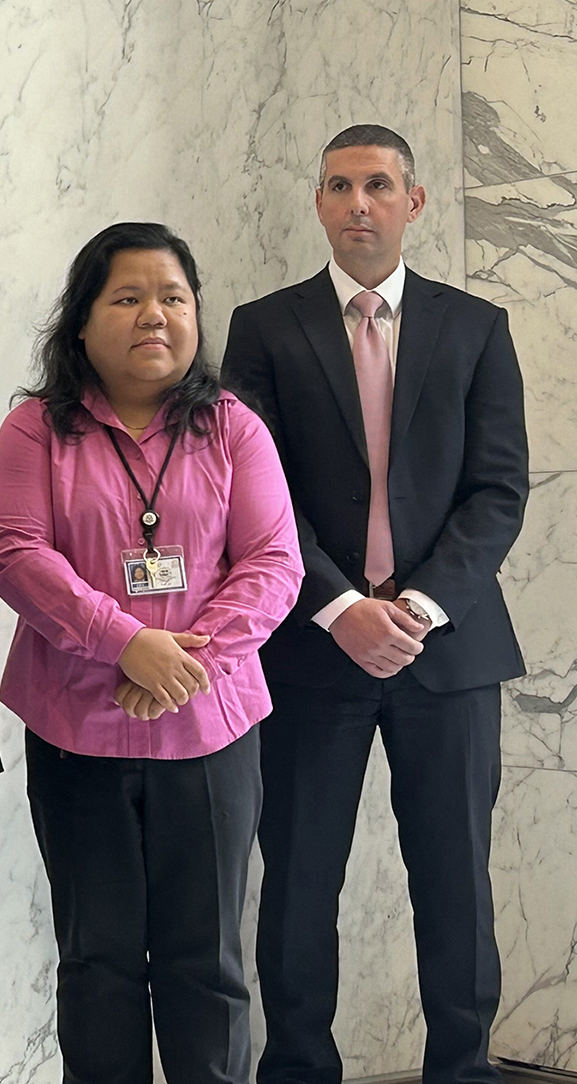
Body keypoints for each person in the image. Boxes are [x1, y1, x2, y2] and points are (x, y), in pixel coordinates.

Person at [222, 125, 528, 1084]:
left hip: (450, 652)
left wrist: (421, 606)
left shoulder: (477, 327)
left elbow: (499, 491)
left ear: (414, 201)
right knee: (298, 883)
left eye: (379, 185)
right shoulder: (264, 329)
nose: (359, 203)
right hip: (313, 650)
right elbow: (255, 495)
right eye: (340, 185)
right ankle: (297, 1069)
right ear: (318, 201)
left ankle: (463, 1071)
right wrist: (341, 606)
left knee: (456, 885)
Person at [0, 222, 303, 1084]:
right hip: (75, 735)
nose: (154, 314)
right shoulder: (35, 431)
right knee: (98, 964)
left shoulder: (232, 428)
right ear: (82, 321)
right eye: (127, 297)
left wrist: (181, 668)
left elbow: (274, 564)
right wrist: (126, 644)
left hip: (211, 735)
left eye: (173, 297)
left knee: (209, 965)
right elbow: (14, 554)